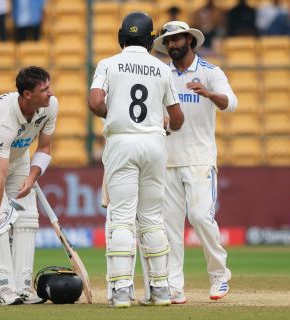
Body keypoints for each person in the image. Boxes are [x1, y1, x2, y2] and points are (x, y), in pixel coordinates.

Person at [89, 12, 184, 308]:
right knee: (153, 218)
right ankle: (161, 290)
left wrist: (113, 113)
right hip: (154, 143)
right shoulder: (162, 68)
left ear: (121, 37)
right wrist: (164, 122)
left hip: (121, 142)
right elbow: (177, 118)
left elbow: (94, 102)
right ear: (149, 39)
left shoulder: (107, 64)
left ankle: (120, 291)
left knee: (121, 218)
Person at [153, 21, 238, 303]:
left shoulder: (210, 72)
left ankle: (218, 274)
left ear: (189, 39)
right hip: (167, 160)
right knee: (170, 228)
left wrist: (209, 93)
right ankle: (175, 286)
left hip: (200, 158)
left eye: (177, 39)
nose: (172, 45)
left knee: (201, 217)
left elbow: (231, 103)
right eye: (168, 41)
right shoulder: (161, 73)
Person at [0, 66, 58, 305]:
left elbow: (44, 149)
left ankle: (23, 288)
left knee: (27, 216)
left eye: (49, 87)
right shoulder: (4, 119)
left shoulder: (50, 106)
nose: (51, 93)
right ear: (27, 94)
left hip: (20, 158)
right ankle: (1, 289)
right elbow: (0, 173)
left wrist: (31, 177)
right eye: (44, 89)